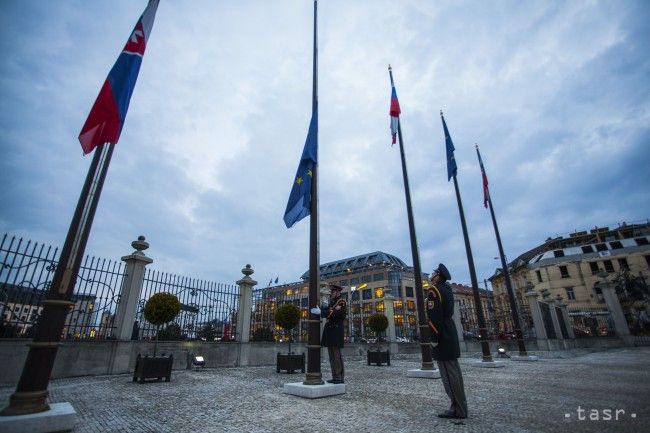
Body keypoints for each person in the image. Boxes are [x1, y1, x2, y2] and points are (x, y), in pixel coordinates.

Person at [427, 263, 468, 419]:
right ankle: (459, 406)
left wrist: (434, 338)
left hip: (442, 335)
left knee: (449, 376)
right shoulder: (448, 290)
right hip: (449, 331)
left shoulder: (434, 290)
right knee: (454, 372)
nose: (431, 275)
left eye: (433, 273)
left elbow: (434, 316)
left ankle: (458, 409)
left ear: (438, 276)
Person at [311, 283, 347, 384]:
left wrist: (321, 312)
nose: (331, 293)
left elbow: (333, 313)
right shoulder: (333, 301)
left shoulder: (341, 302)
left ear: (338, 292)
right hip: (331, 331)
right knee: (332, 356)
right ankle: (335, 376)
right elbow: (328, 310)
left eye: (333, 291)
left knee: (336, 356)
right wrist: (322, 309)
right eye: (331, 291)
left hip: (336, 331)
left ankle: (339, 377)